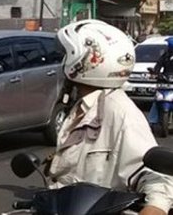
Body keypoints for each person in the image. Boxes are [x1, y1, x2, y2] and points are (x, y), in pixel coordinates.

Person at [47, 19, 173, 215]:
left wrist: (154, 209)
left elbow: (155, 179)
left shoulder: (119, 111)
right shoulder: (84, 106)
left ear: (84, 61)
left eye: (66, 55)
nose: (62, 64)